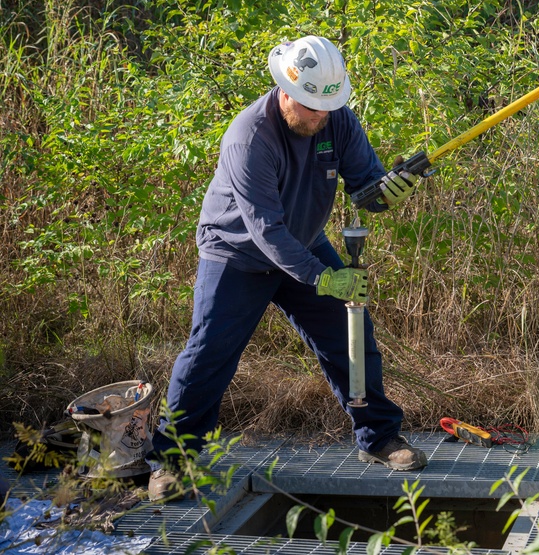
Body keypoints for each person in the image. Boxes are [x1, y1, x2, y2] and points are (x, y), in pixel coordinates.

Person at [147, 35, 426, 501]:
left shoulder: (336, 119)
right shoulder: (248, 136)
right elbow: (265, 231)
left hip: (303, 242)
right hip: (236, 252)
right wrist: (323, 276)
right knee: (208, 355)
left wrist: (390, 190)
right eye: (310, 108)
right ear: (285, 91)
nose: (319, 118)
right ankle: (172, 460)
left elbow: (366, 187)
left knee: (350, 337)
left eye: (327, 108)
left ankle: (378, 438)